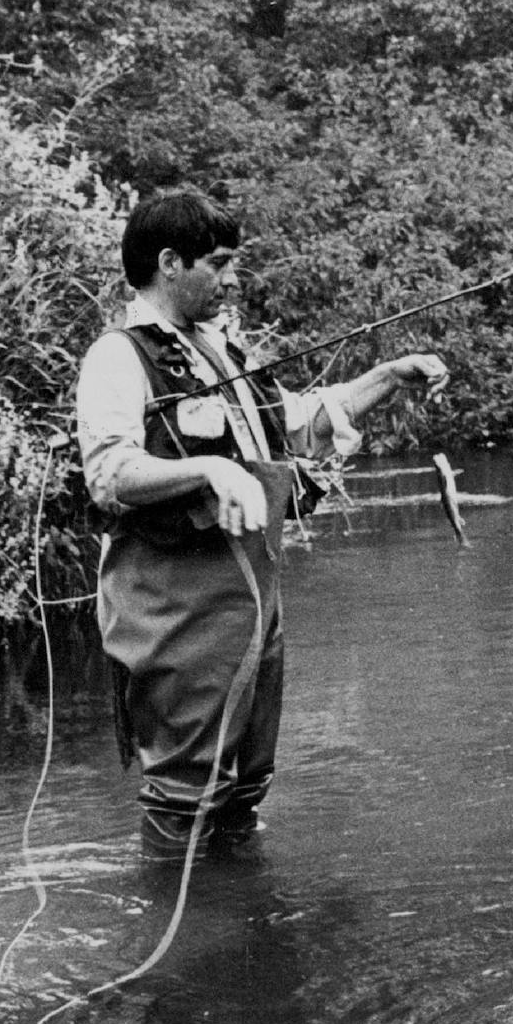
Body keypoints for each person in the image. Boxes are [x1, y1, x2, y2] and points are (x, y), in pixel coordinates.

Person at [74, 190, 448, 856]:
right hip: (175, 615)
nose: (232, 279)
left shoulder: (220, 352)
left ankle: (242, 924)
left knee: (244, 787)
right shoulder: (117, 356)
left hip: (250, 607)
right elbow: (110, 474)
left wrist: (389, 377)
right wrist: (210, 472)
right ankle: (173, 942)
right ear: (169, 262)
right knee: (183, 796)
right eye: (218, 264)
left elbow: (295, 424)